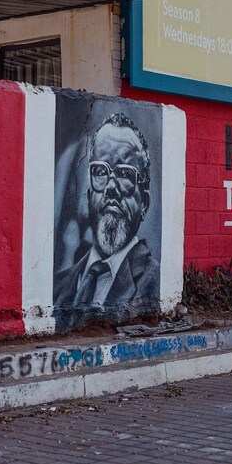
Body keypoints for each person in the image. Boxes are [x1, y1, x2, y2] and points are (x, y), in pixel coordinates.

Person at [53, 113, 159, 330]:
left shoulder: (154, 281)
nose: (111, 186)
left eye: (125, 174)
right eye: (101, 171)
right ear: (90, 193)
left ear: (144, 203)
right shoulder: (60, 285)